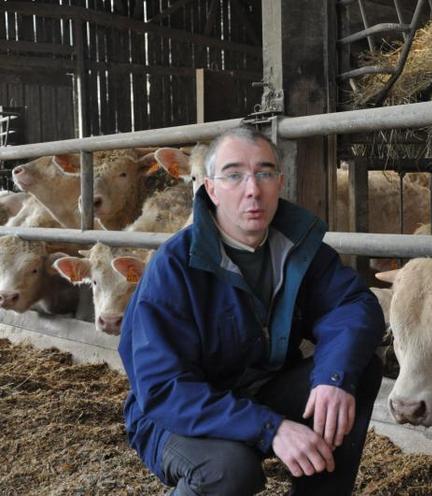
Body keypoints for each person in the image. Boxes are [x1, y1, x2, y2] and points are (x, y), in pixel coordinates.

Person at [118, 126, 385, 495]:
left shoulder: (296, 247)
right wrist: (271, 428)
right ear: (210, 189)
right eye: (233, 175)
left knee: (357, 368)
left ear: (280, 182)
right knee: (230, 470)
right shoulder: (175, 266)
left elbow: (353, 304)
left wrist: (332, 378)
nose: (252, 190)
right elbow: (164, 388)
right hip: (175, 414)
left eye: (264, 173)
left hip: (258, 389)